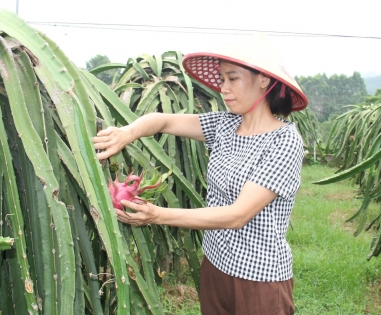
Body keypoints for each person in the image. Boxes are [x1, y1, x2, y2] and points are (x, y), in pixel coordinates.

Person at [92, 33, 308, 315]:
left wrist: (157, 215)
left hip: (260, 278)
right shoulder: (224, 126)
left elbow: (237, 215)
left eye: (233, 78)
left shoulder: (284, 141)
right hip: (216, 265)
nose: (224, 88)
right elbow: (165, 120)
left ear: (263, 80)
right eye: (222, 79)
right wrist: (127, 133)